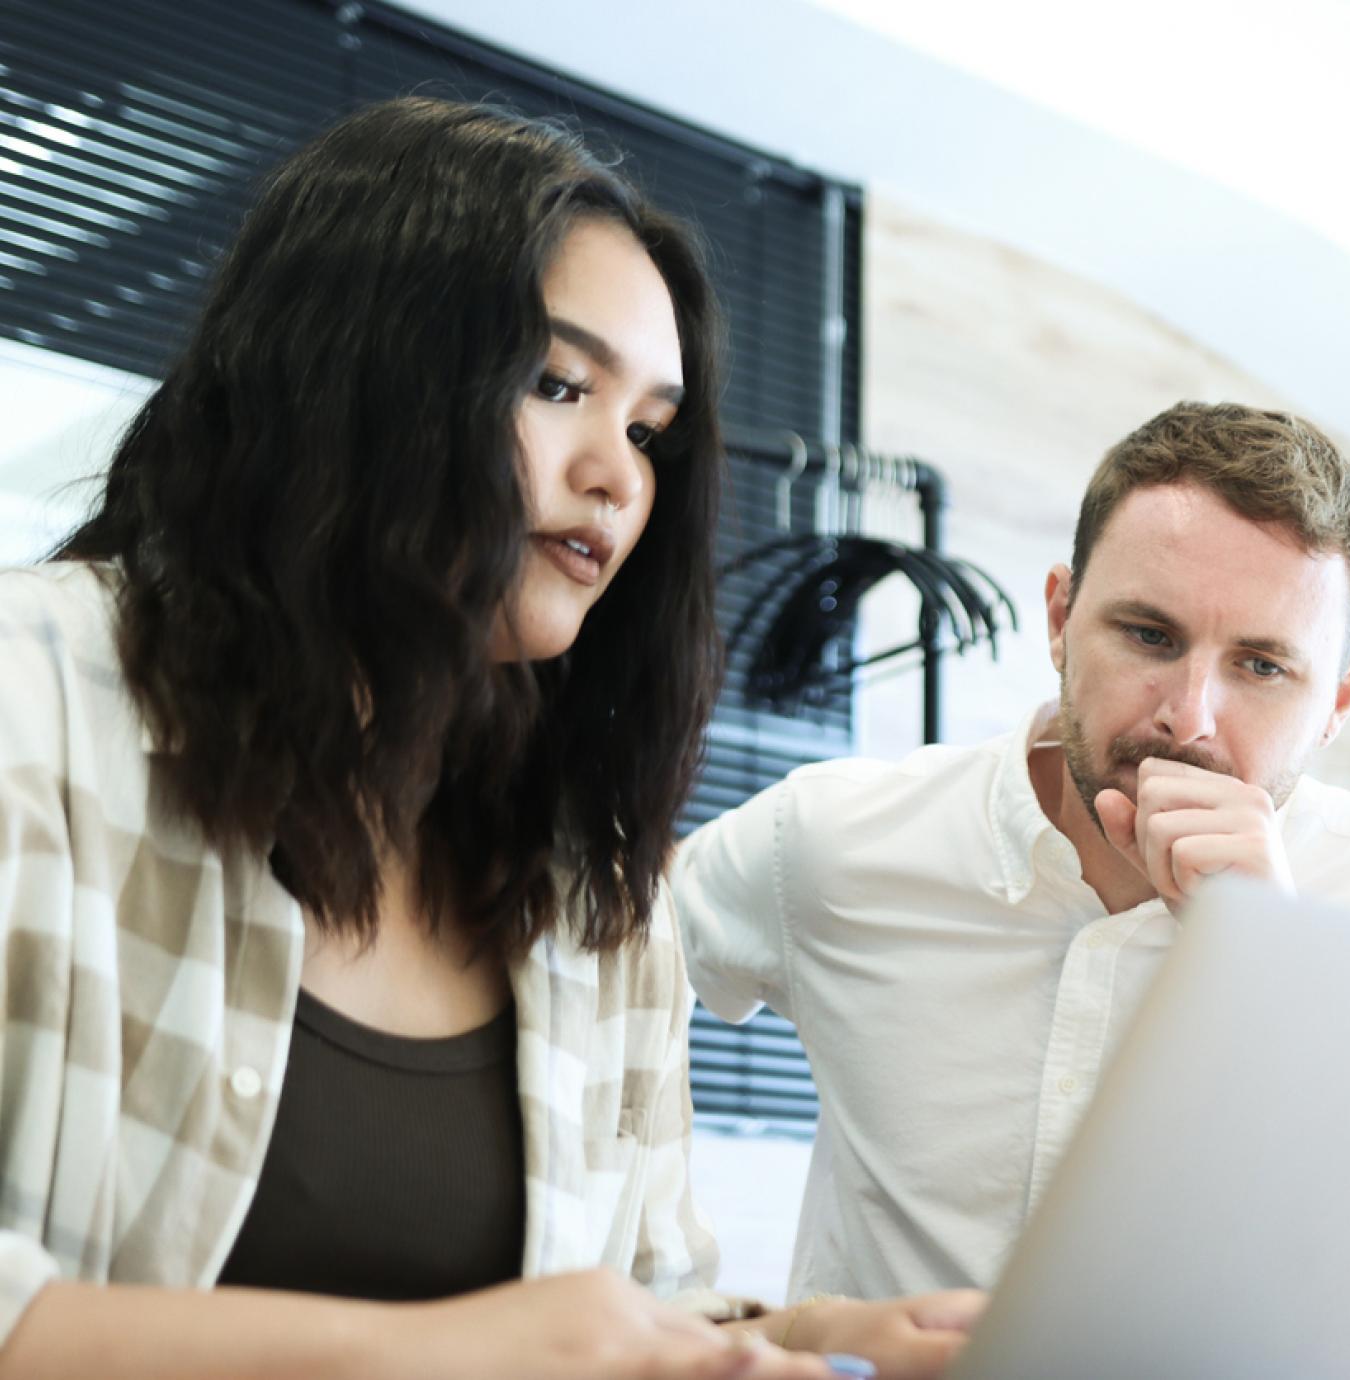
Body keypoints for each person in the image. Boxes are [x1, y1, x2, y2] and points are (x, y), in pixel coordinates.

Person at [0, 97, 976, 1380]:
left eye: (646, 432)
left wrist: (803, 1338)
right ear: (353, 363)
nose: (619, 480)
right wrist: (413, 1355)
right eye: (557, 383)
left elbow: (624, 1303)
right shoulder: (38, 701)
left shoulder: (592, 884)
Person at [671, 402, 1350, 1377]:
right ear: (1061, 618)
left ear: (1339, 696)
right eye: (1149, 635)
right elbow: (583, 964)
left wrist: (1282, 976)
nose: (1187, 718)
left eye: (1260, 665)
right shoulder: (831, 839)